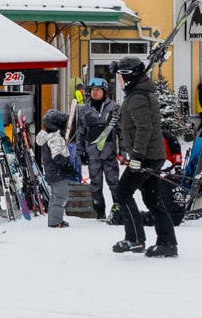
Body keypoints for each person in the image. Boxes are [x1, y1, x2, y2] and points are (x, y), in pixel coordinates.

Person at [111, 57, 177, 258]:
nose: (119, 80)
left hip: (146, 156)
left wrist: (137, 155)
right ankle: (167, 243)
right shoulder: (137, 93)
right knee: (153, 199)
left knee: (123, 192)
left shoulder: (138, 97)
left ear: (129, 77)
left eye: (121, 76)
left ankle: (135, 239)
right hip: (152, 155)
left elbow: (144, 127)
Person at [75, 78, 121, 220]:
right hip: (92, 154)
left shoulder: (114, 108)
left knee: (114, 183)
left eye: (98, 90)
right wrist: (79, 152)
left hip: (110, 154)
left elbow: (122, 131)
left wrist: (125, 151)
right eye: (92, 90)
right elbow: (80, 133)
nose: (95, 93)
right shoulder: (84, 110)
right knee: (95, 184)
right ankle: (99, 212)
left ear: (104, 91)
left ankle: (118, 210)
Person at [35, 109, 72, 228]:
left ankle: (53, 219)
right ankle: (56, 221)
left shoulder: (48, 137)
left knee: (55, 196)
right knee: (60, 196)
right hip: (58, 172)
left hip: (52, 172)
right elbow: (57, 155)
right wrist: (67, 166)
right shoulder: (55, 138)